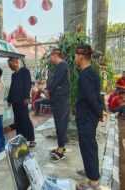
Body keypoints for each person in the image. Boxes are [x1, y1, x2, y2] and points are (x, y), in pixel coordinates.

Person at [75, 44, 103, 190]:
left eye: (75, 56)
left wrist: (100, 112)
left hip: (86, 118)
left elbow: (92, 98)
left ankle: (93, 181)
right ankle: (91, 172)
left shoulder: (85, 76)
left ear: (80, 56)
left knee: (88, 147)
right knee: (90, 146)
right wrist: (100, 112)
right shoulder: (92, 73)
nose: (74, 58)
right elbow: (98, 96)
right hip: (90, 117)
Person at [46, 48, 70, 161]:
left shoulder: (62, 65)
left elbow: (55, 82)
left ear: (55, 55)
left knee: (60, 124)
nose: (50, 58)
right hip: (59, 100)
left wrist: (48, 90)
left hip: (61, 101)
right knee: (60, 124)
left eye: (51, 56)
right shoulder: (61, 66)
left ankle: (60, 150)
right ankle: (60, 147)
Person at [7, 57, 36, 147]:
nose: (9, 66)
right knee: (17, 121)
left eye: (10, 64)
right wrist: (9, 99)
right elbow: (12, 88)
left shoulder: (24, 71)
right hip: (15, 102)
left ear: (15, 62)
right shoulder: (13, 75)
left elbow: (28, 84)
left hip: (23, 100)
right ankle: (20, 139)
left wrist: (27, 97)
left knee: (25, 119)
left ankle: (31, 139)